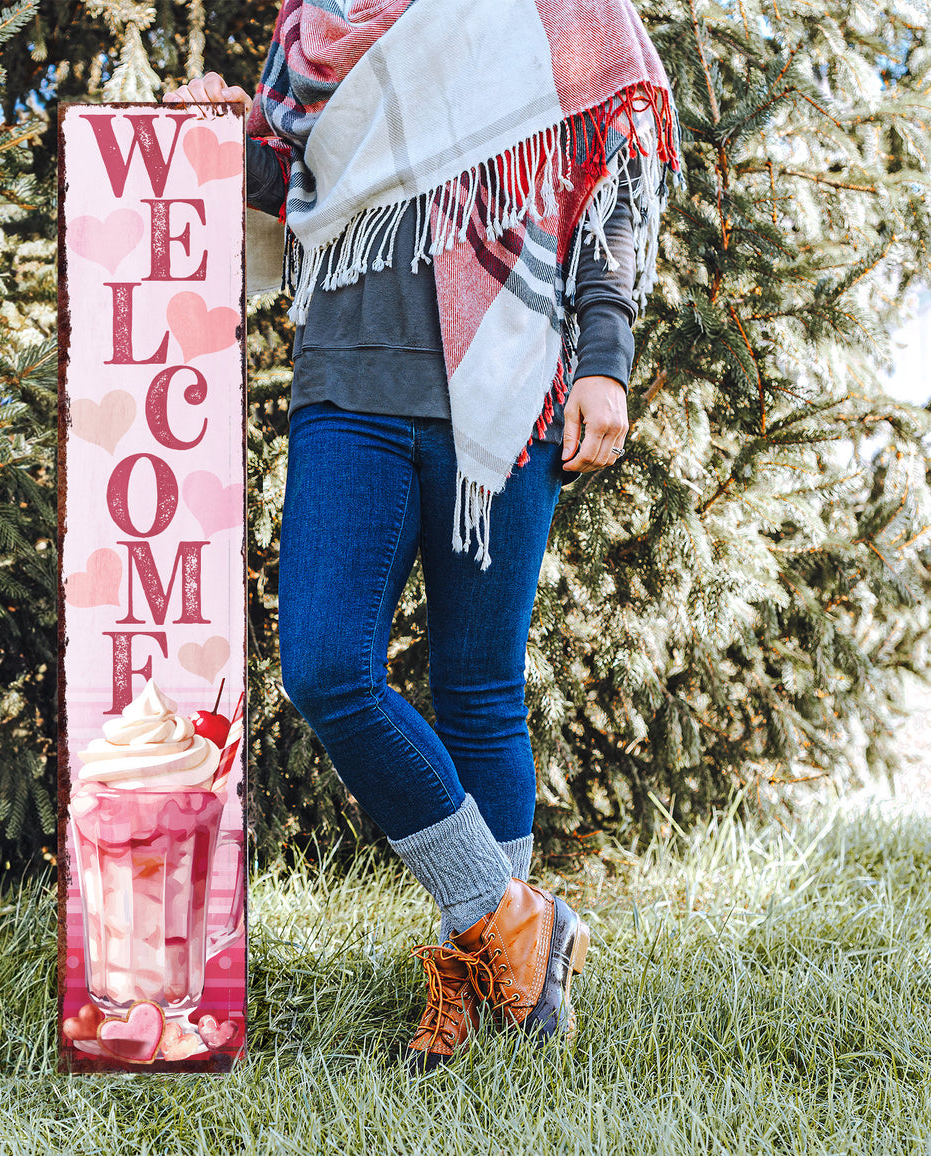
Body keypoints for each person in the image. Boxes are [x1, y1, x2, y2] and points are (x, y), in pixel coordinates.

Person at [164, 0, 683, 1070]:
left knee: (479, 688)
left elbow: (612, 173)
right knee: (322, 663)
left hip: (506, 374)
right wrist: (226, 138)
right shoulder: (315, 22)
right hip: (348, 379)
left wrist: (604, 355)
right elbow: (304, 187)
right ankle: (513, 921)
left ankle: (484, 977)